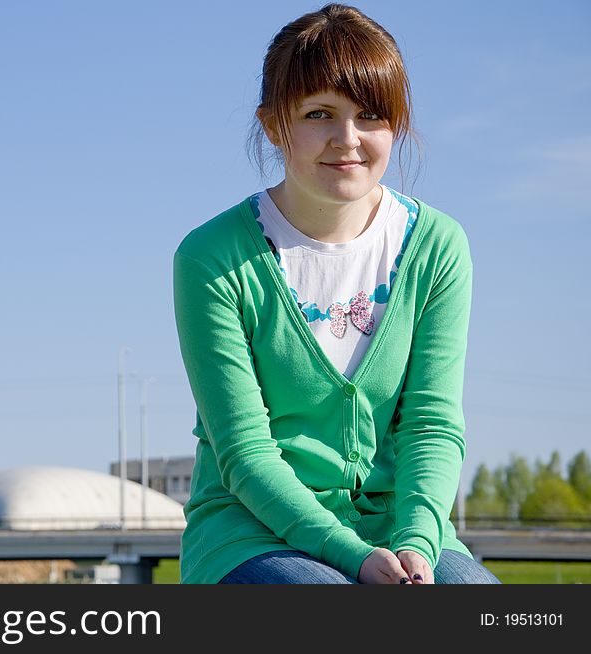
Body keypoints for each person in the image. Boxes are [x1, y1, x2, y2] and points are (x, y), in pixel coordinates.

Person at [172, 3, 500, 585]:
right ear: (275, 125)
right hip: (252, 533)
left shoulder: (438, 246)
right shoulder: (212, 257)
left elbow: (431, 422)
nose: (347, 140)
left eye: (370, 115)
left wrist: (419, 547)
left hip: (400, 530)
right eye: (320, 113)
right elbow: (246, 453)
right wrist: (352, 557)